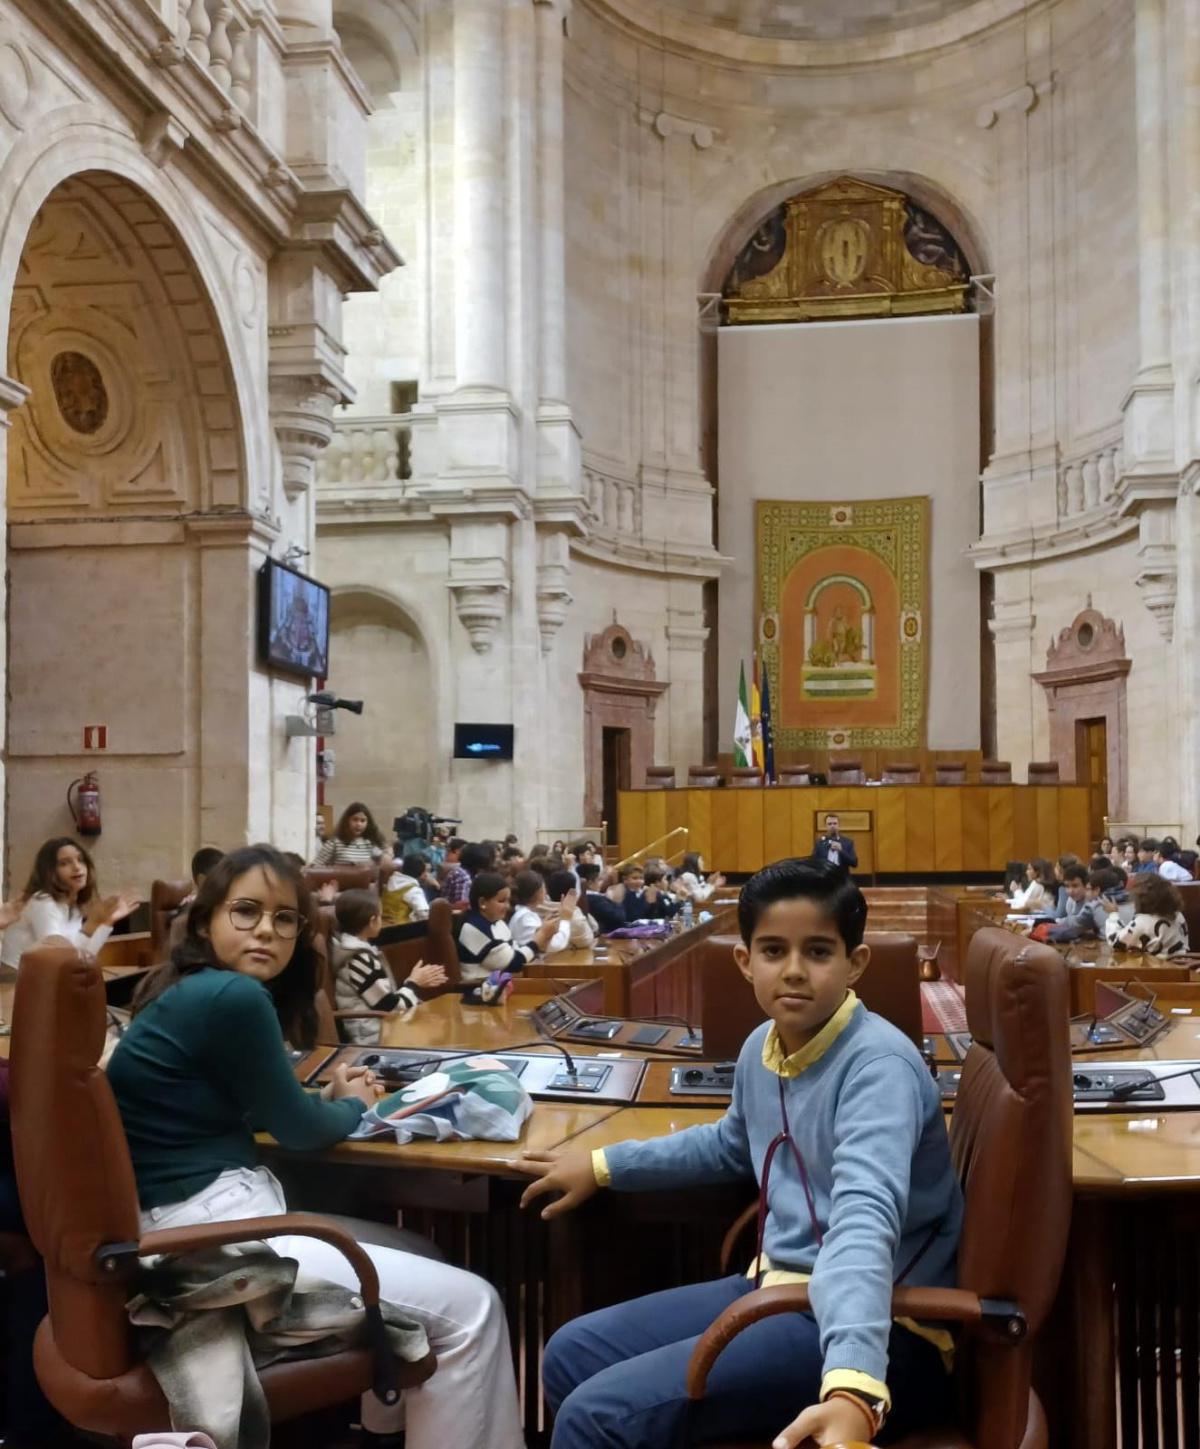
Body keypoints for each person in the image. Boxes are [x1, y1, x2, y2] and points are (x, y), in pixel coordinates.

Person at [521, 857, 960, 1448]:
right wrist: (604, 1166)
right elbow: (730, 1143)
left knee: (594, 1417)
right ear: (745, 961)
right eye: (774, 951)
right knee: (569, 1354)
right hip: (781, 1290)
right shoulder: (762, 1046)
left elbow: (865, 1219)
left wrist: (854, 1388)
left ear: (855, 963)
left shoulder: (879, 1067)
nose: (794, 971)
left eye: (818, 952)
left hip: (887, 1327)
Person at [107, 845, 523, 1449]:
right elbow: (300, 1131)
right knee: (475, 1309)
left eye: (284, 919)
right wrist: (351, 1106)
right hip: (212, 1240)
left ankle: (380, 1434)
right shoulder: (234, 996)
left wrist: (322, 1095)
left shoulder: (185, 989)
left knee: (424, 1250)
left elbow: (251, 1104)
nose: (266, 931)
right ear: (204, 923)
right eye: (246, 911)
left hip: (189, 1219)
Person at [0, 838, 139, 969]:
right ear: (49, 872)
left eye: (80, 860)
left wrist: (106, 922)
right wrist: (91, 924)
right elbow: (57, 960)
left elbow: (84, 957)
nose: (77, 867)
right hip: (16, 979)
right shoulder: (43, 901)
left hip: (43, 978)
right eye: (64, 863)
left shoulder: (73, 905)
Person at [331, 889, 446, 1043]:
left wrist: (413, 982)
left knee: (435, 1024)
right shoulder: (359, 959)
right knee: (436, 1034)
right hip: (372, 1035)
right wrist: (414, 983)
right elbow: (391, 1008)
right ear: (372, 921)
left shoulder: (354, 951)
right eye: (381, 916)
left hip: (381, 1025)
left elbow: (386, 1001)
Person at [456, 872, 537, 983]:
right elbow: (514, 964)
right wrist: (538, 942)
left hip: (501, 984)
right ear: (482, 902)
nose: (507, 906)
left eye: (508, 900)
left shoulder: (498, 923)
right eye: (501, 901)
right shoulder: (474, 929)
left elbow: (515, 950)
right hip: (478, 989)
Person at [1101, 871, 1190, 955]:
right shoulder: (1178, 915)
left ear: (1140, 898)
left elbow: (1115, 943)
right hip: (1182, 963)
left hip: (1158, 965)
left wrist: (1113, 914)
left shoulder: (1142, 921)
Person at [509, 871, 580, 956]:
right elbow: (555, 945)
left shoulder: (526, 914)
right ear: (538, 892)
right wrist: (565, 919)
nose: (546, 893)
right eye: (544, 888)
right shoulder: (525, 917)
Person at [310, 802, 392, 870]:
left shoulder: (368, 843)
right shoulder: (334, 843)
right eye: (355, 819)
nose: (358, 824)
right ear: (347, 821)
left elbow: (384, 858)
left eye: (363, 820)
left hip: (363, 884)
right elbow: (315, 867)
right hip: (340, 883)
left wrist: (387, 855)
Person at [1046, 864, 1103, 943]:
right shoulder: (1070, 900)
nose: (1070, 891)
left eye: (1075, 886)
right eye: (1067, 886)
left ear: (1086, 885)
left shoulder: (1092, 902)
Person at [380, 853, 431, 927]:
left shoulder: (390, 880)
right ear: (422, 873)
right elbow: (424, 914)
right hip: (398, 930)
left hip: (381, 926)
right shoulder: (414, 891)